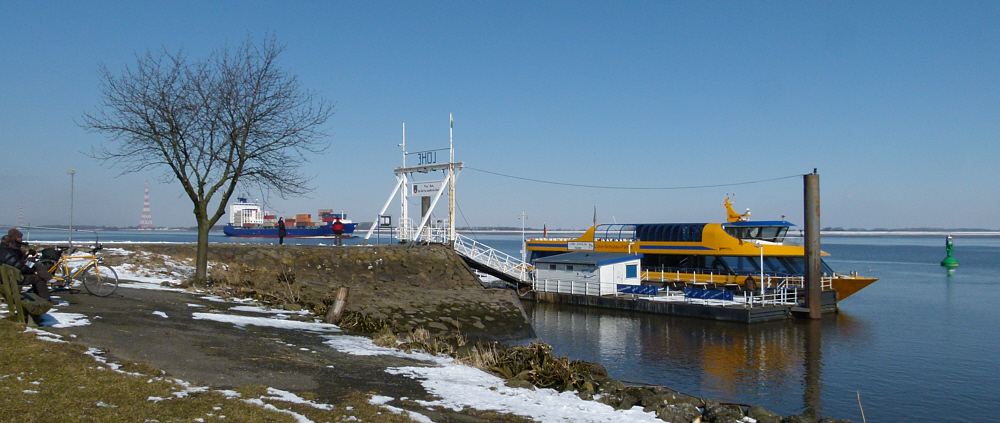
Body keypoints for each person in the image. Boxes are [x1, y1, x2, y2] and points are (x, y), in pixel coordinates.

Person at [0, 228, 55, 303]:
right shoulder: (9, 252)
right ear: (10, 244)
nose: (21, 239)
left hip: (7, 275)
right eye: (20, 238)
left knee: (35, 265)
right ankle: (45, 299)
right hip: (12, 277)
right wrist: (32, 271)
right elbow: (19, 266)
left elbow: (17, 263)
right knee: (38, 277)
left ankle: (48, 279)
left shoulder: (4, 249)